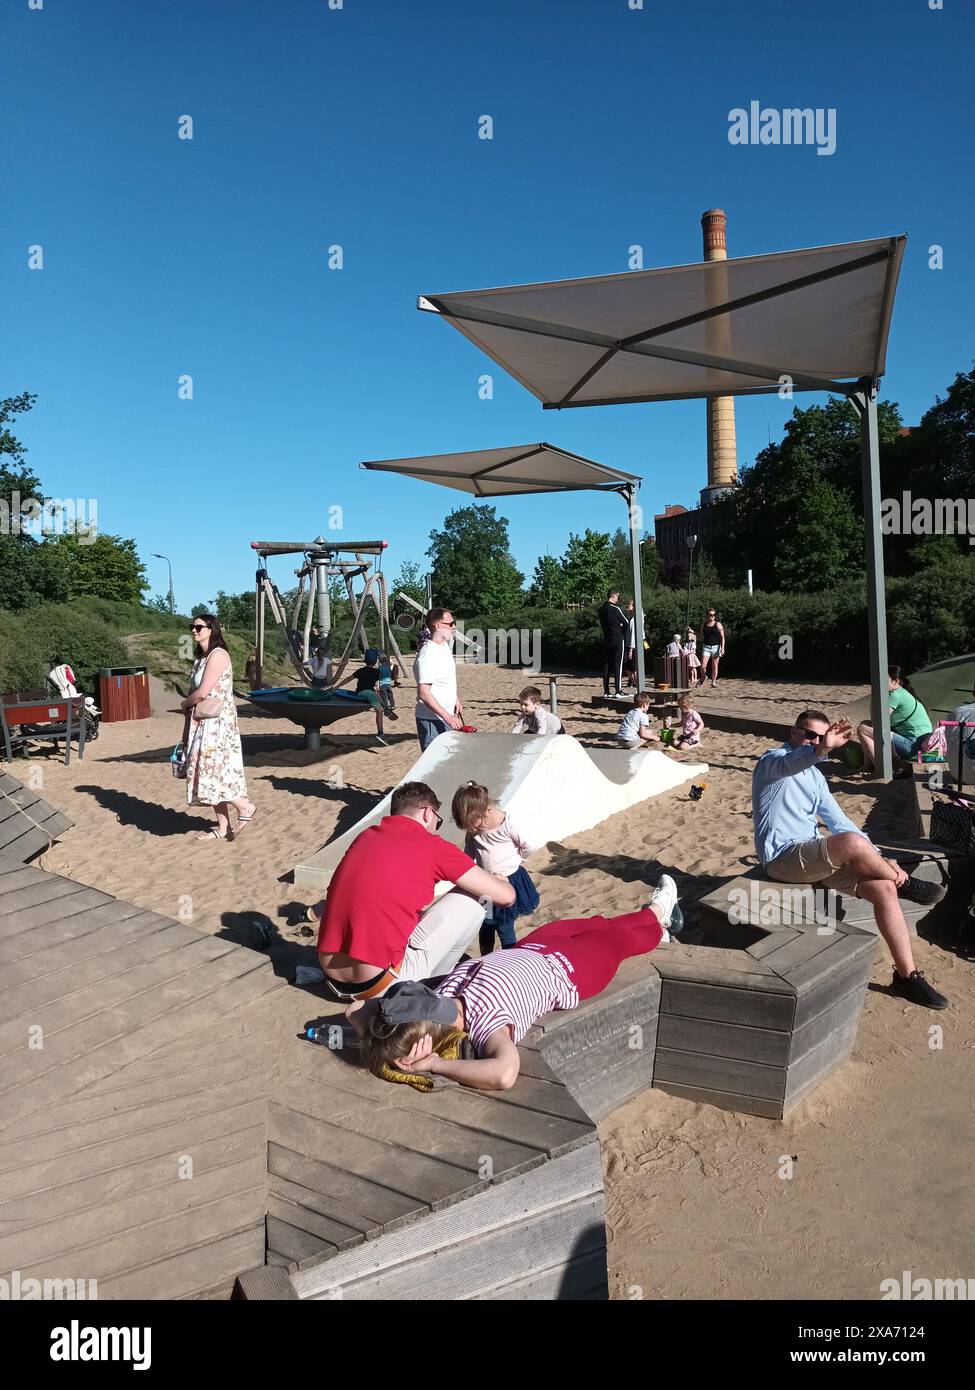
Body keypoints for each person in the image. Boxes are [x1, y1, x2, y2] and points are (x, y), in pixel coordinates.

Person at [353, 876, 682, 1091]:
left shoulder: (438, 997)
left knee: (595, 924)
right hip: (570, 971)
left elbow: (355, 1009)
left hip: (530, 948)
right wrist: (433, 1063)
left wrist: (388, 1027)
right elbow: (504, 1074)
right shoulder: (486, 1023)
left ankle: (654, 922)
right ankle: (658, 916)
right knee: (615, 939)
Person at [752, 710, 948, 1009]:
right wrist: (821, 749)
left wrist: (880, 858)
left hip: (813, 854)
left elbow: (841, 822)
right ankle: (906, 882)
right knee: (855, 846)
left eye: (820, 736)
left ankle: (907, 976)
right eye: (809, 734)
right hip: (781, 858)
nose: (814, 740)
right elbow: (792, 762)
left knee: (882, 888)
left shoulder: (815, 777)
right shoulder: (772, 762)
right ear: (793, 733)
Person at [315, 780, 515, 1003]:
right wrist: (503, 881)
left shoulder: (366, 837)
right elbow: (505, 898)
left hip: (333, 979)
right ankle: (435, 984)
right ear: (428, 813)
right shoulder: (432, 846)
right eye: (437, 822)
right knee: (476, 898)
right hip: (382, 985)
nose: (435, 828)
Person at [180, 614, 256, 842]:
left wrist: (185, 703)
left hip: (217, 723)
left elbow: (202, 692)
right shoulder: (201, 659)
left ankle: (244, 807)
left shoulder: (218, 655)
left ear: (211, 629)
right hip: (203, 721)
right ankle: (223, 826)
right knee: (206, 772)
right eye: (192, 626)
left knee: (214, 772)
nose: (194, 630)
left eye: (199, 627)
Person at [452, 780, 540, 957]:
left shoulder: (507, 824)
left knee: (504, 925)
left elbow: (530, 845)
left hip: (508, 882)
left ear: (485, 811)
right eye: (469, 827)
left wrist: (517, 860)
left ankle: (510, 958)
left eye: (474, 824)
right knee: (485, 924)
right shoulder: (473, 830)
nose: (472, 829)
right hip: (486, 885)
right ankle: (486, 957)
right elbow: (470, 852)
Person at [857, 666, 933, 777]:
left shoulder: (895, 695)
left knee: (862, 729)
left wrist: (874, 695)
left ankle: (881, 769)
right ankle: (868, 766)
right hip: (920, 743)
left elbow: (876, 723)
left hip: (912, 745)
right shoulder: (902, 692)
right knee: (864, 724)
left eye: (883, 680)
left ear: (895, 681)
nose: (879, 683)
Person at [413, 607, 464, 751]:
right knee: (434, 765)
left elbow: (445, 679)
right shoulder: (428, 654)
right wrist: (448, 717)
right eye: (450, 624)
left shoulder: (444, 647)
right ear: (438, 625)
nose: (454, 627)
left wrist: (455, 698)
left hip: (447, 716)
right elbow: (424, 693)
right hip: (432, 719)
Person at [339, 648, 388, 746]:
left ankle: (386, 708)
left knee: (376, 694)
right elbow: (375, 685)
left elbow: (348, 679)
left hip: (359, 692)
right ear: (375, 661)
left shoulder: (361, 670)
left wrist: (336, 687)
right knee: (379, 711)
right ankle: (380, 733)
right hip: (368, 692)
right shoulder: (377, 672)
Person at [597, 588, 628, 697]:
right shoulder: (615, 608)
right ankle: (618, 690)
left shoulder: (601, 609)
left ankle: (606, 691)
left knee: (607, 664)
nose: (618, 599)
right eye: (617, 597)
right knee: (618, 664)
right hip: (617, 639)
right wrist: (621, 630)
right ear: (613, 596)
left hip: (607, 639)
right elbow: (626, 622)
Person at [700, 608, 726, 687]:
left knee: (714, 666)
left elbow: (722, 637)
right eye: (710, 615)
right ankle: (704, 676)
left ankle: (713, 682)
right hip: (706, 647)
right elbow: (700, 635)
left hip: (716, 647)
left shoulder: (718, 624)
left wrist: (722, 648)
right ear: (707, 615)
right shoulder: (704, 624)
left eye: (714, 615)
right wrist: (692, 632)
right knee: (702, 666)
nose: (712, 616)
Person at [377, 652, 399, 721]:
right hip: (388, 683)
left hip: (382, 684)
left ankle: (386, 707)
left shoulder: (379, 668)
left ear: (379, 660)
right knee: (390, 695)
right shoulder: (388, 668)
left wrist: (377, 683)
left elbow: (378, 677)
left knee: (384, 696)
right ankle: (392, 705)